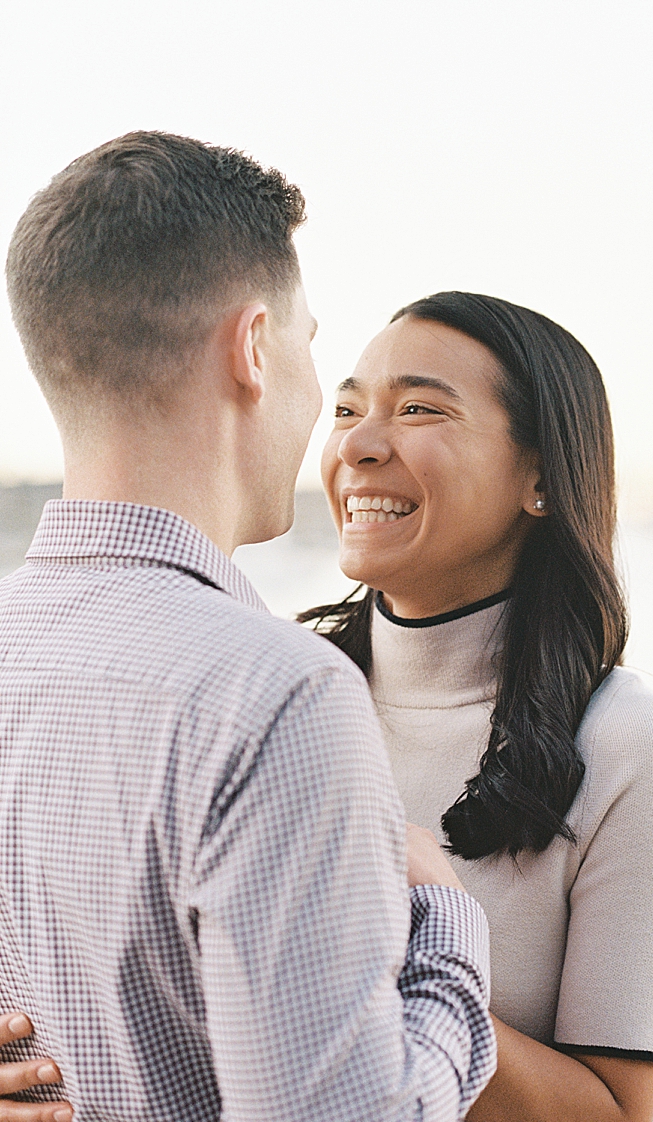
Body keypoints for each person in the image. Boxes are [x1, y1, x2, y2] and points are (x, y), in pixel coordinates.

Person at [0, 132, 495, 1120]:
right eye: (313, 349)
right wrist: (448, 929)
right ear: (255, 347)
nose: (330, 414)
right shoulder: (279, 694)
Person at [298, 291, 653, 1122]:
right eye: (346, 409)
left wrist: (395, 939)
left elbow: (611, 1112)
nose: (358, 444)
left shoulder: (636, 745)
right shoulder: (267, 688)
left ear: (540, 478)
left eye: (418, 408)